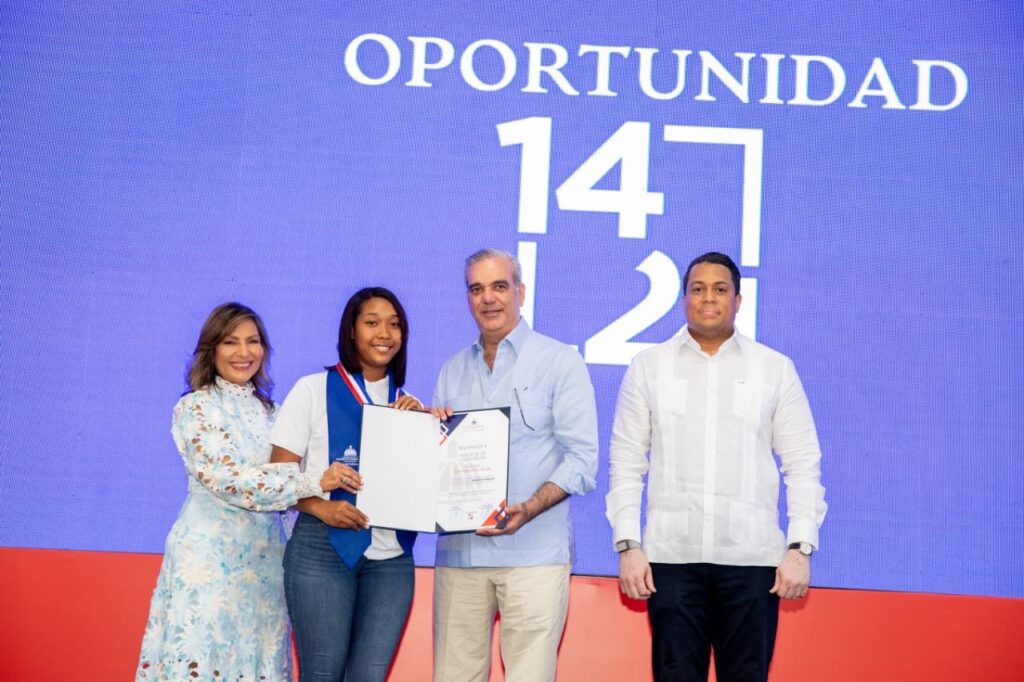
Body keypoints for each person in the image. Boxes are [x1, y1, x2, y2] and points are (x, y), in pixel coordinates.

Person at [605, 252, 828, 682]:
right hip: (671, 560)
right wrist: (628, 545)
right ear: (684, 299)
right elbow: (626, 462)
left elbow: (803, 464)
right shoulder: (648, 367)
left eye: (720, 289)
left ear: (738, 301)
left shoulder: (774, 369)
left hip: (752, 560)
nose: (709, 298)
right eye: (698, 288)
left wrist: (800, 547)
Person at [136, 302, 348, 681]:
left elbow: (312, 465)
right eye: (231, 342)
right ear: (212, 348)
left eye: (253, 341)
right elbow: (229, 481)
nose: (244, 352)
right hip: (207, 562)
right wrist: (314, 481)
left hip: (267, 564)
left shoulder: (273, 412)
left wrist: (404, 417)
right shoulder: (194, 408)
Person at [431, 248, 599, 682]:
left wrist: (529, 508)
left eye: (499, 286)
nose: (488, 298)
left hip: (533, 555)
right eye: (476, 289)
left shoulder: (559, 361)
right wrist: (426, 436)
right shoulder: (452, 370)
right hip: (460, 555)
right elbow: (437, 464)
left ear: (521, 292)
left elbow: (582, 460)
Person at [270, 287, 422, 682]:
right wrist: (321, 507)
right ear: (351, 330)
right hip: (322, 548)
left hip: (391, 560)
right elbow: (277, 476)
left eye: (394, 325)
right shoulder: (311, 389)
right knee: (322, 673)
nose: (384, 333)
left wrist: (431, 430)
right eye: (372, 322)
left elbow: (423, 487)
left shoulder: (410, 405)